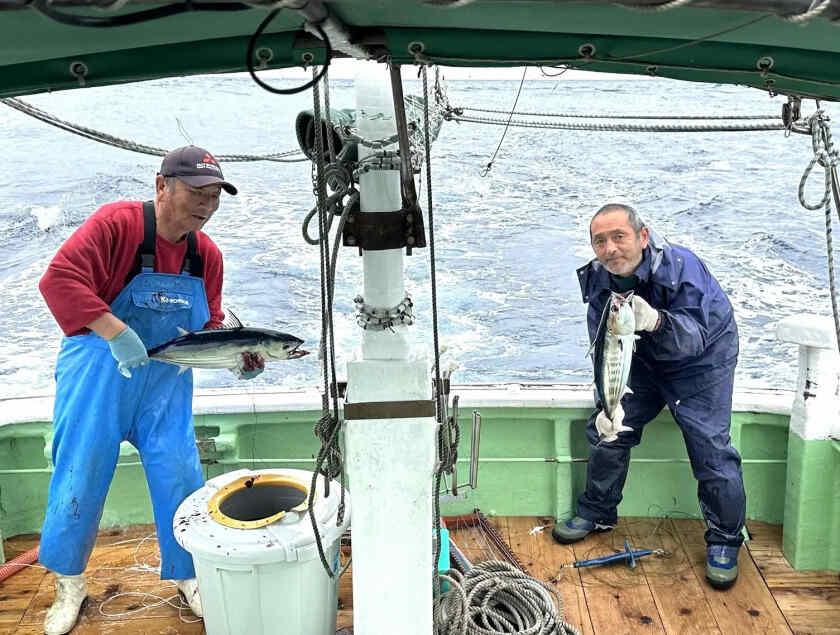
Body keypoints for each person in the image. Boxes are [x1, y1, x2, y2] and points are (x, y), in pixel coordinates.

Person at [37, 146, 265, 634]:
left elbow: (210, 325)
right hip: (100, 371)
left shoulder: (206, 255)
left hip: (166, 384)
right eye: (196, 192)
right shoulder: (116, 224)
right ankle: (69, 582)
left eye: (214, 196)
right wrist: (117, 333)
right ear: (162, 186)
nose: (206, 205)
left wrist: (237, 360)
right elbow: (58, 280)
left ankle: (187, 575)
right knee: (80, 471)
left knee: (179, 474)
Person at [553, 203, 745, 590]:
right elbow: (602, 347)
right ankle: (598, 511)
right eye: (599, 241)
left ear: (643, 236)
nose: (610, 249)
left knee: (710, 448)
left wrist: (656, 320)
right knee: (607, 431)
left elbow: (694, 338)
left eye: (618, 236)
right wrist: (607, 402)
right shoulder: (599, 280)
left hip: (701, 363)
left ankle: (725, 539)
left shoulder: (682, 269)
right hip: (638, 359)